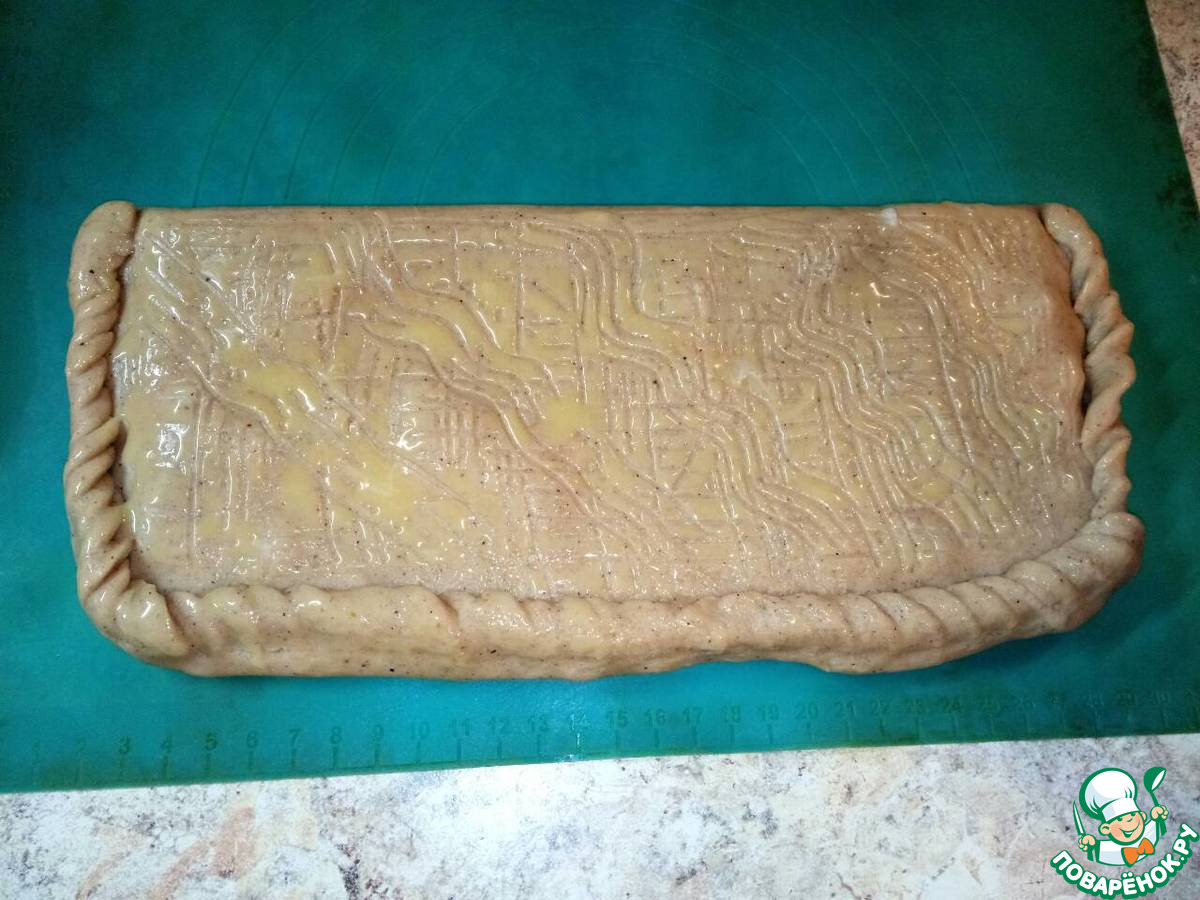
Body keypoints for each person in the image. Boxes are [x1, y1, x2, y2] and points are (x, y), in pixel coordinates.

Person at [1077, 768, 1169, 866]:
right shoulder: (1107, 851)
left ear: (1142, 816)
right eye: (1120, 819)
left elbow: (1160, 829)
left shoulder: (1151, 832)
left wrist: (1158, 817)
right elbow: (1093, 855)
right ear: (1106, 829)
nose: (1129, 821)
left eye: (1133, 815)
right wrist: (1090, 845)